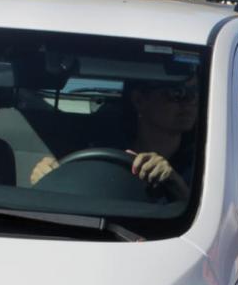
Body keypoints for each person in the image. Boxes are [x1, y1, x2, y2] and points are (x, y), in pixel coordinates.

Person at [31, 76, 198, 200]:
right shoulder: (96, 156)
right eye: (178, 93)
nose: (190, 102)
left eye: (195, 93)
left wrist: (174, 182)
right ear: (139, 100)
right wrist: (47, 178)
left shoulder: (205, 164)